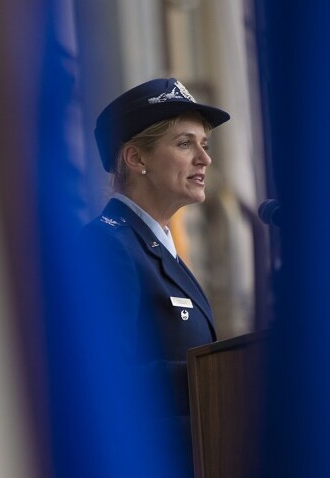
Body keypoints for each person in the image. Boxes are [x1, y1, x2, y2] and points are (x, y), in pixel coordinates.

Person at [79, 77, 230, 471]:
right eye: (185, 144)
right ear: (136, 158)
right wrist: (220, 379)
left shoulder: (159, 247)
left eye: (205, 145)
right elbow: (104, 379)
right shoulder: (106, 246)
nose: (204, 158)